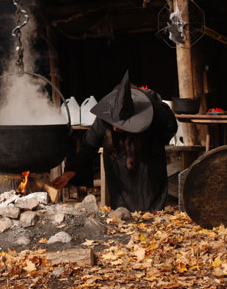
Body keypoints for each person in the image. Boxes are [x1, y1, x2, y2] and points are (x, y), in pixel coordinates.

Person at [52, 71, 178, 212]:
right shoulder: (105, 117)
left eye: (121, 124)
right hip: (117, 163)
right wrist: (70, 172)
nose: (115, 127)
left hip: (148, 159)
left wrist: (153, 142)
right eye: (113, 123)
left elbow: (170, 127)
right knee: (122, 209)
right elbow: (89, 145)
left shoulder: (155, 110)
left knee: (150, 208)